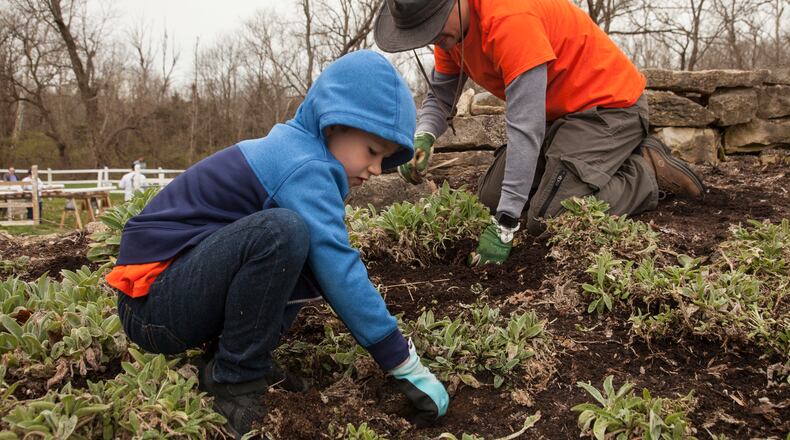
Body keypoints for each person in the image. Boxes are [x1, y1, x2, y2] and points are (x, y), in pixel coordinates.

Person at [104, 50, 449, 438]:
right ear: (334, 125)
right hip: (152, 304)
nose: (375, 169)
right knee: (283, 233)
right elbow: (342, 270)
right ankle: (235, 379)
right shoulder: (304, 165)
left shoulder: (300, 150)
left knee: (301, 247)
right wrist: (402, 362)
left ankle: (236, 358)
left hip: (172, 295)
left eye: (385, 158)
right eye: (372, 152)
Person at [374, 0, 706, 265]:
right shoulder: (450, 30)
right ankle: (584, 168)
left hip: (607, 108)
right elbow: (441, 94)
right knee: (490, 199)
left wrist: (505, 227)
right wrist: (424, 136)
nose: (433, 39)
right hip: (557, 116)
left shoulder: (509, 18)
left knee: (548, 218)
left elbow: (525, 128)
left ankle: (645, 172)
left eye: (433, 28)